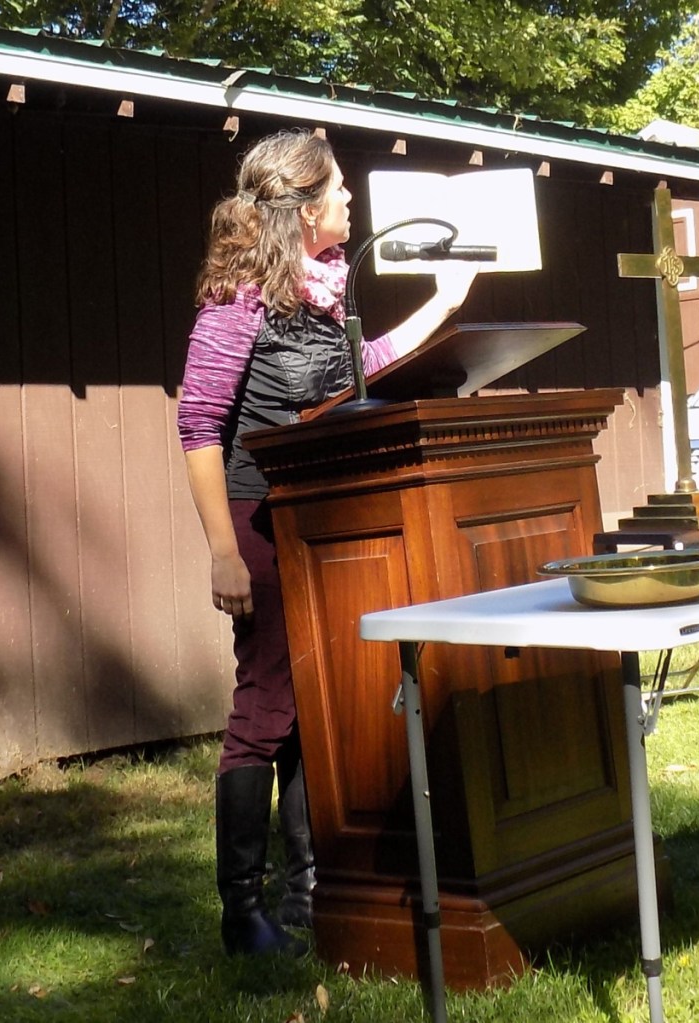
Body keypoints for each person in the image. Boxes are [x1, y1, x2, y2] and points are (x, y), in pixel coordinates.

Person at [177, 128, 477, 958]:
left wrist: (444, 307)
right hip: (258, 519)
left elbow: (360, 372)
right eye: (338, 188)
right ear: (305, 210)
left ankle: (312, 892)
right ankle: (242, 913)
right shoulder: (240, 298)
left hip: (322, 515)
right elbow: (199, 425)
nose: (351, 199)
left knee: (312, 705)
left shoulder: (325, 292)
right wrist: (222, 551)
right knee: (266, 707)